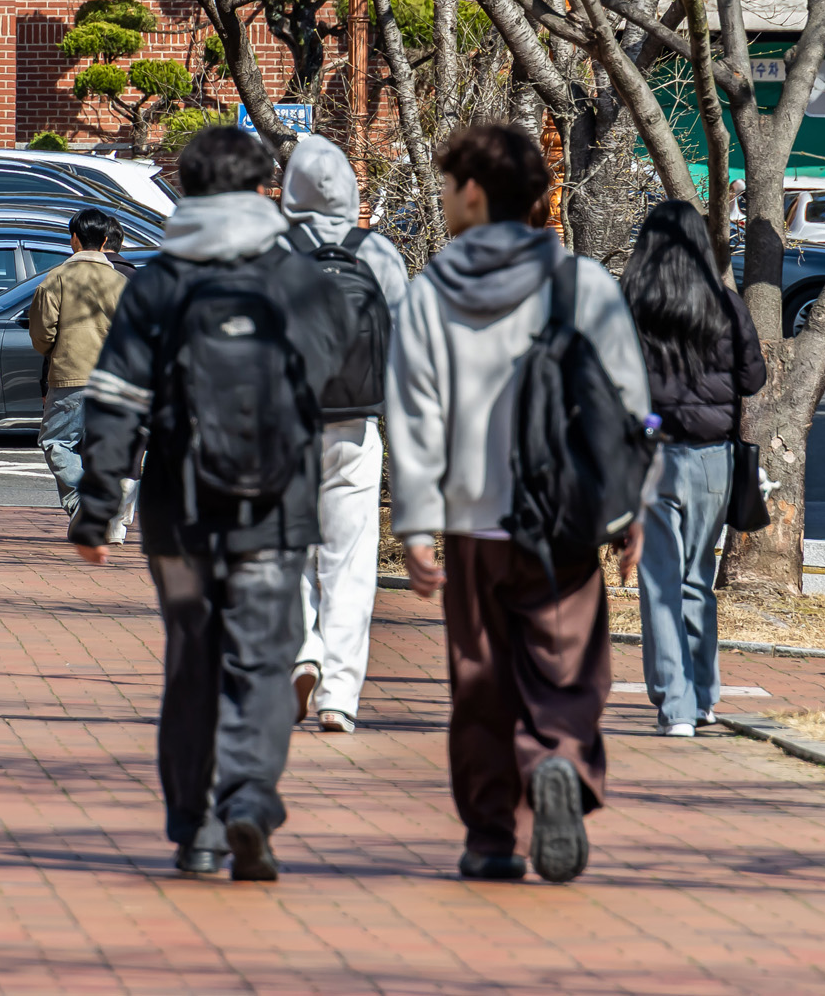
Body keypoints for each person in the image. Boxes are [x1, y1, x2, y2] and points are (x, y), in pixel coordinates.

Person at [69, 126, 352, 882]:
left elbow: (115, 398)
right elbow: (332, 368)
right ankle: (249, 799)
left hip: (179, 513)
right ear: (262, 189)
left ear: (188, 192)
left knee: (192, 661)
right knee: (260, 661)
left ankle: (195, 831)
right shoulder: (298, 279)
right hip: (275, 506)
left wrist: (98, 506)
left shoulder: (160, 282)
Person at [386, 124, 651, 885]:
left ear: (474, 193)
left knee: (480, 681)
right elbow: (630, 406)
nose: (443, 200)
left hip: (472, 522)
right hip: (564, 520)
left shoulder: (431, 292)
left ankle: (491, 838)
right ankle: (557, 759)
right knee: (567, 669)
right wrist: (635, 506)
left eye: (446, 187)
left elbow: (414, 414)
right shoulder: (581, 285)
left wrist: (416, 522)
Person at [276, 136, 408, 734]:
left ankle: (302, 649)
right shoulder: (377, 253)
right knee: (350, 562)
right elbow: (406, 349)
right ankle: (339, 696)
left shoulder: (272, 250)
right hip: (356, 424)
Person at [621, 198, 766, 738]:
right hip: (714, 459)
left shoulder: (630, 303)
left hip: (653, 456)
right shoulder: (726, 304)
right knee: (697, 579)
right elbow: (752, 379)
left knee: (660, 581)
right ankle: (703, 697)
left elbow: (613, 381)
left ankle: (676, 705)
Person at [30, 207, 131, 538]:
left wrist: (55, 350)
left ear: (73, 239)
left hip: (70, 374)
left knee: (57, 441)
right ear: (104, 242)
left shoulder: (56, 278)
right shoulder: (120, 282)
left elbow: (41, 334)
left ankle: (80, 500)